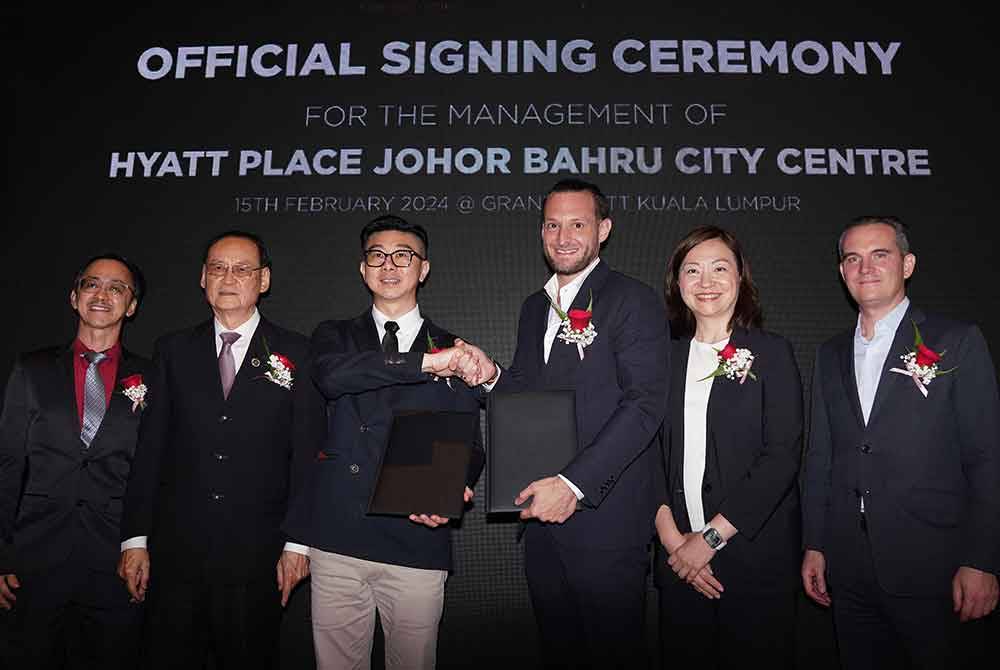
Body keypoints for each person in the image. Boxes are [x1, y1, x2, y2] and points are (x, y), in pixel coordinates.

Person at [456, 179, 669, 669]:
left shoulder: (631, 300)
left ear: (604, 229)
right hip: (542, 529)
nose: (564, 236)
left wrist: (573, 485)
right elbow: (530, 398)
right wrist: (489, 376)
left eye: (578, 223)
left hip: (606, 525)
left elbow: (644, 406)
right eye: (553, 224)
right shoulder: (535, 308)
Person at [282, 214, 484, 670]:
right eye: (377, 255)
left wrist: (455, 486)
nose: (389, 266)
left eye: (403, 256)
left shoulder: (455, 346)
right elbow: (335, 379)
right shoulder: (335, 336)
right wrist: (428, 364)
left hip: (416, 538)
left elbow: (471, 444)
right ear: (362, 268)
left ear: (423, 268)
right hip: (338, 536)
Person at [118, 231, 324, 669]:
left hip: (258, 557)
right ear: (202, 277)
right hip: (176, 558)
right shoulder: (172, 350)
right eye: (217, 267)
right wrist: (135, 539)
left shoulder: (297, 352)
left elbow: (308, 456)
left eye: (241, 268)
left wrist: (299, 545)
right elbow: (150, 448)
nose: (228, 277)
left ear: (263, 280)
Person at [801, 216, 1000, 668]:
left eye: (880, 255)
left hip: (937, 568)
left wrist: (983, 560)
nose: (864, 267)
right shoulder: (830, 354)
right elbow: (821, 457)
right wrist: (815, 543)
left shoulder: (956, 341)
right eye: (852, 258)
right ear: (842, 271)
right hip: (849, 570)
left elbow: (987, 458)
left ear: (907, 264)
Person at [652, 226, 803, 668]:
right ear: (677, 284)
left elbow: (781, 457)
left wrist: (710, 541)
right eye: (692, 271)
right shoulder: (662, 360)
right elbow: (646, 457)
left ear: (741, 279)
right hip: (678, 564)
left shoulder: (771, 353)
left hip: (753, 564)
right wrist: (676, 544)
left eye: (720, 269)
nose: (706, 282)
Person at [0, 253, 149, 669]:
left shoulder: (151, 377)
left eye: (117, 288)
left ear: (132, 305)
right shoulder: (32, 369)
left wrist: (144, 547)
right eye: (92, 284)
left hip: (114, 565)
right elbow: (7, 464)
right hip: (34, 560)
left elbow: (155, 475)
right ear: (74, 296)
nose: (102, 294)